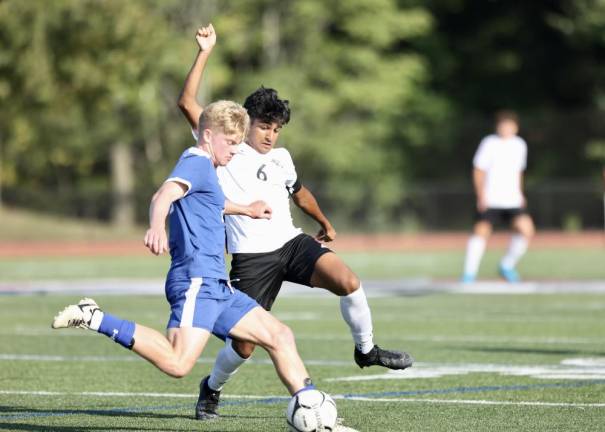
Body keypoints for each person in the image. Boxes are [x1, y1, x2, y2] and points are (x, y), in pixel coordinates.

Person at [177, 24, 413, 421]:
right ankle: (211, 388)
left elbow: (299, 193)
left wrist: (324, 221)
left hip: (291, 244)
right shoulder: (223, 147)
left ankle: (366, 349)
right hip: (252, 259)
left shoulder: (282, 157)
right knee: (245, 346)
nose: (270, 135)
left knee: (348, 281)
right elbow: (185, 101)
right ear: (246, 121)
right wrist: (204, 52)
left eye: (276, 129)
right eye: (265, 126)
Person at [51, 100, 321, 402]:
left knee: (279, 336)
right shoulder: (196, 161)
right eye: (230, 142)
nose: (235, 149)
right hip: (196, 280)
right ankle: (95, 317)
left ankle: (312, 407)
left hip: (217, 285)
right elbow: (164, 194)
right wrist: (156, 226)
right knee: (178, 363)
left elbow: (210, 202)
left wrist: (246, 209)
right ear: (207, 136)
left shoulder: (208, 169)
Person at [462, 110, 535, 283]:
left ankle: (506, 265)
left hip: (512, 198)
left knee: (526, 230)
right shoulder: (489, 143)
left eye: (510, 125)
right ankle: (468, 274)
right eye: (503, 125)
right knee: (481, 232)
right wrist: (481, 195)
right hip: (491, 197)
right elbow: (479, 170)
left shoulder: (519, 145)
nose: (507, 128)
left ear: (516, 127)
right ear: (498, 127)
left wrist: (520, 192)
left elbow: (519, 172)